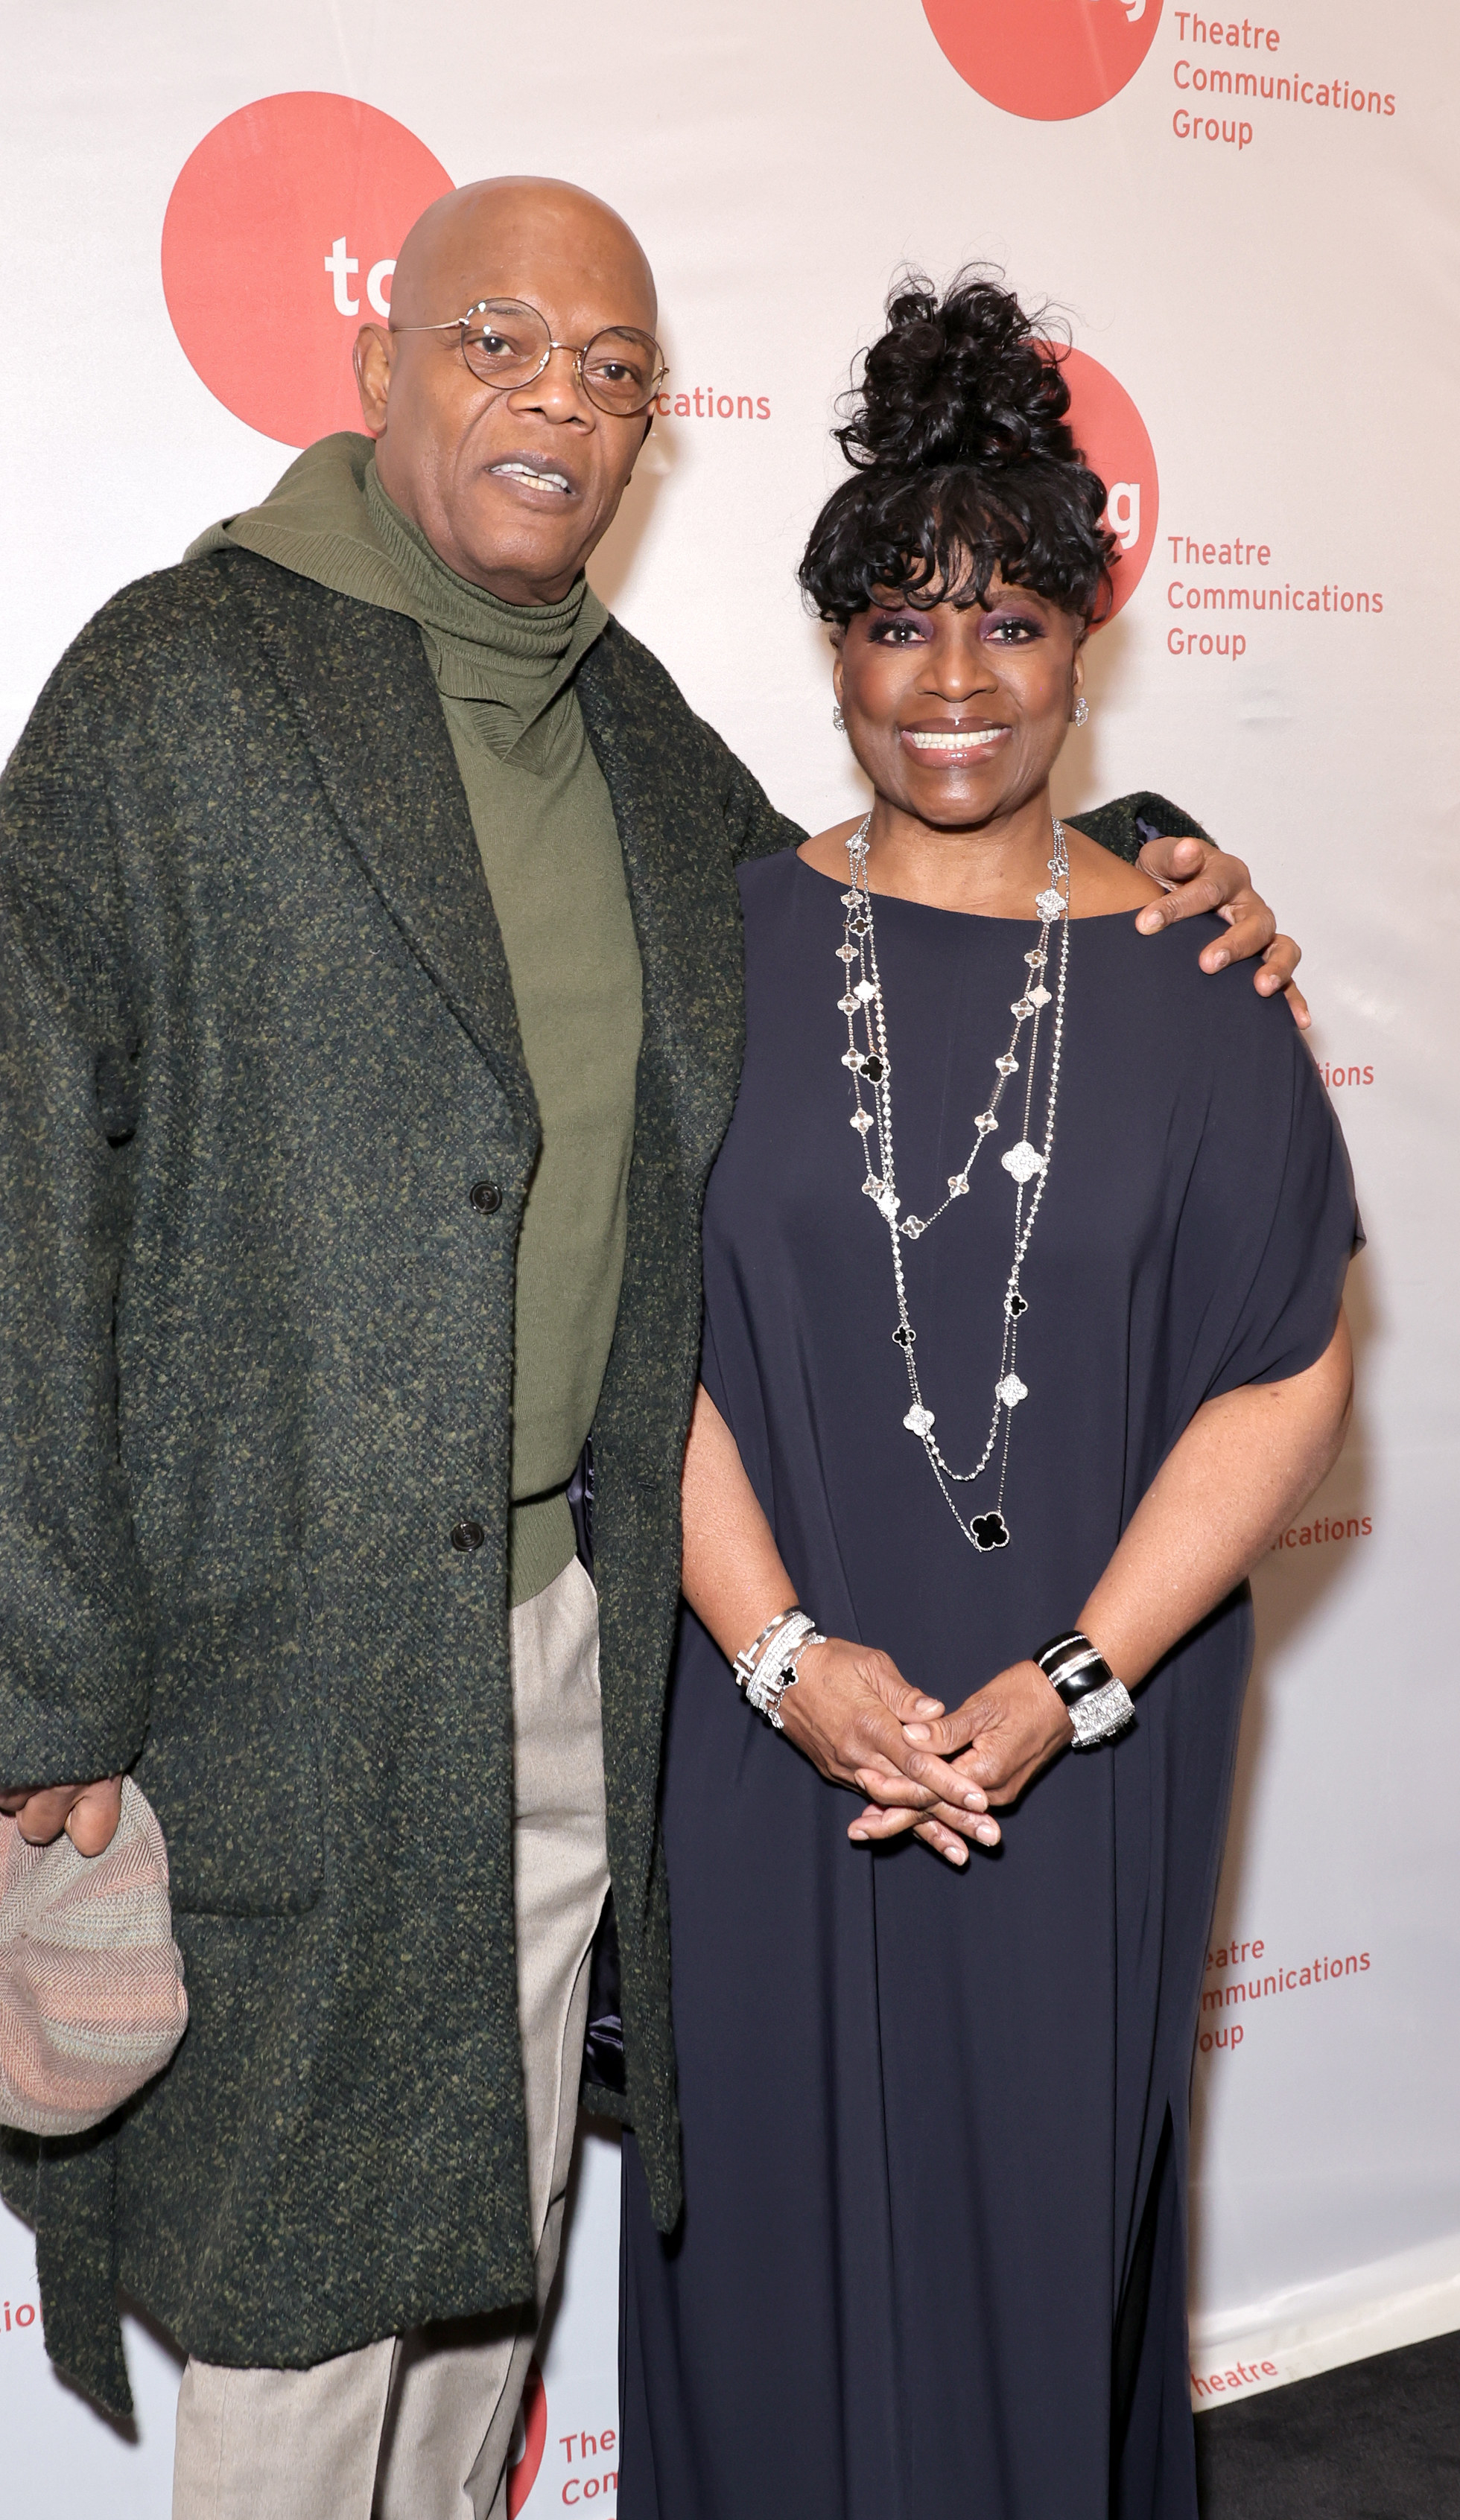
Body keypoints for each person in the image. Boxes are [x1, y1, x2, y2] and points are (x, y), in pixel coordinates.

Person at [0, 186, 1297, 2520]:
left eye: (616, 368)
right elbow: (2, 1172)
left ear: (653, 428)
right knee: (295, 2306)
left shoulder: (635, 751)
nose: (561, 398)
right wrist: (28, 1671)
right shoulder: (180, 690)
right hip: (270, 1676)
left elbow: (899, 919)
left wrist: (1142, 849)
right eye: (503, 342)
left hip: (564, 1649)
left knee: (490, 2257)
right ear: (380, 365)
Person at [617, 275, 1358, 2520]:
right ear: (834, 651)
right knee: (759, 2259)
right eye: (902, 627)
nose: (956, 683)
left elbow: (1284, 1371)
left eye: (1015, 624)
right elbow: (631, 1349)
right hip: (765, 1743)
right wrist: (780, 1659)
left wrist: (1061, 1687)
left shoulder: (1197, 971)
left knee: (1051, 2247)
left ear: (1086, 650)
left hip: (1087, 1751)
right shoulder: (712, 949)